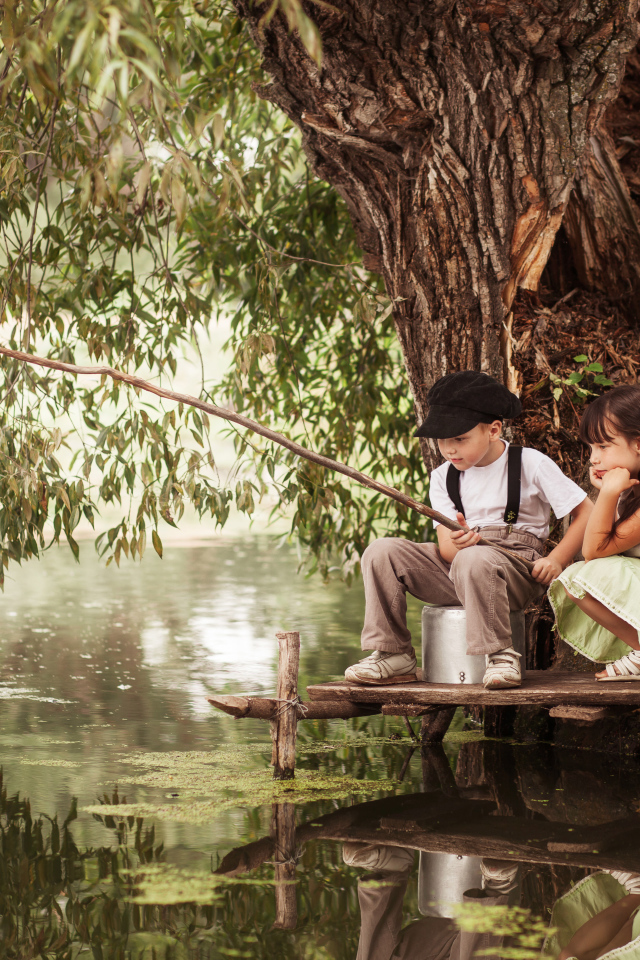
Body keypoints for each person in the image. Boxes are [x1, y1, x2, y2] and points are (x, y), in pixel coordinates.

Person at [345, 371, 592, 689]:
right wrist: (461, 544)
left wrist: (557, 558)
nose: (449, 449)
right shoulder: (443, 477)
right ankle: (394, 654)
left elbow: (586, 511)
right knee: (381, 552)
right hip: (460, 567)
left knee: (474, 560)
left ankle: (502, 655)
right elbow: (447, 550)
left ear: (493, 429)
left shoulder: (529, 463)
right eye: (442, 440)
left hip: (515, 567)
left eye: (460, 438)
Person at [549, 384, 640, 680]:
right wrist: (610, 495)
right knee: (574, 579)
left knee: (590, 572)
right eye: (591, 448)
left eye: (603, 446)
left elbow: (594, 550)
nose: (593, 458)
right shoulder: (628, 491)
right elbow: (594, 552)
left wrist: (607, 495)